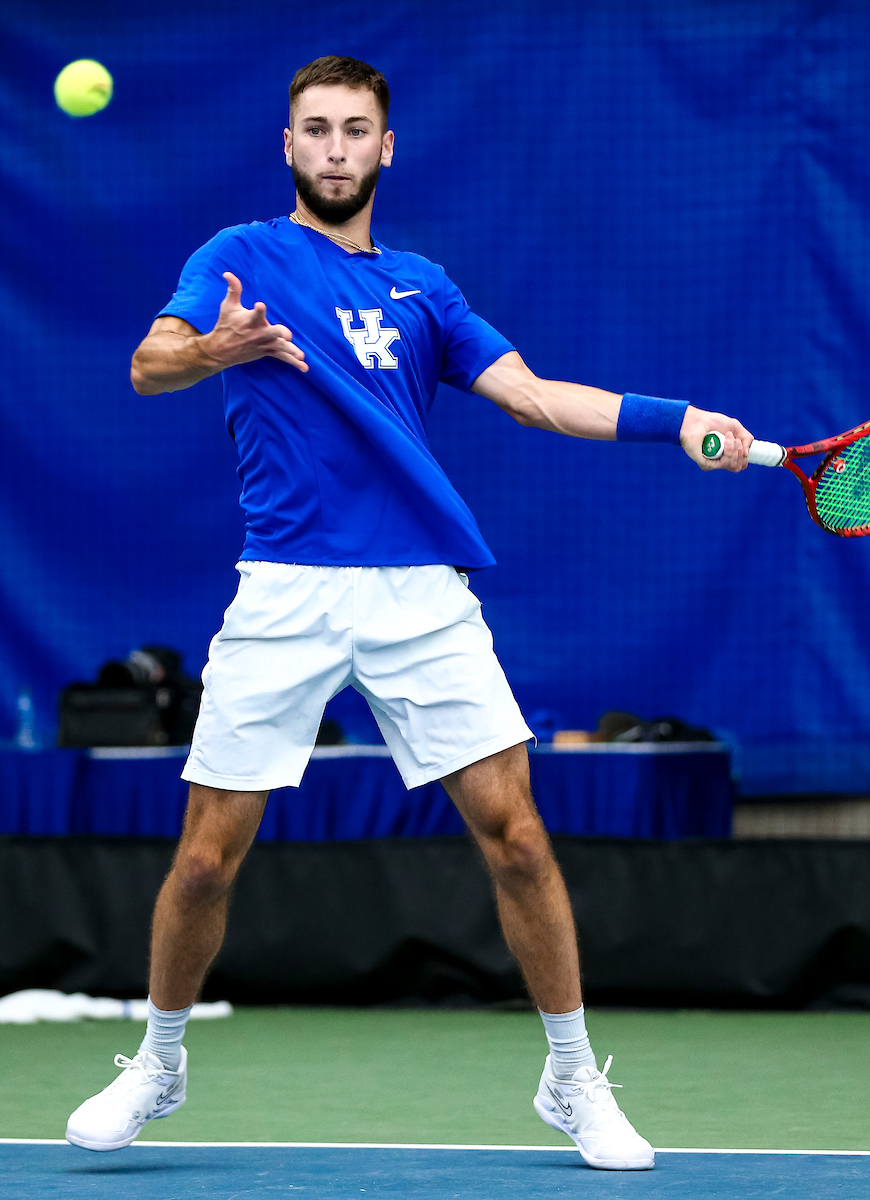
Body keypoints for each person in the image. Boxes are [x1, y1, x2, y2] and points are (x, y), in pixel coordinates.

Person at [66, 55, 752, 1169]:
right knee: (203, 860)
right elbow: (150, 364)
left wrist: (673, 420)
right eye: (315, 130)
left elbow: (532, 397)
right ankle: (161, 1060)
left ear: (387, 149)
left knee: (517, 836)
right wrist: (213, 348)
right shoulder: (236, 258)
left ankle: (574, 1078)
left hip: (419, 594)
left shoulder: (425, 288)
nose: (335, 148)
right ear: (286, 147)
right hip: (284, 587)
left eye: (355, 131)